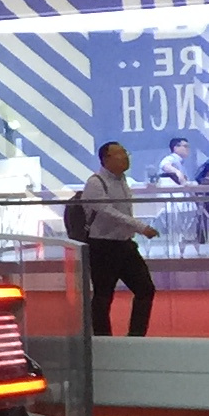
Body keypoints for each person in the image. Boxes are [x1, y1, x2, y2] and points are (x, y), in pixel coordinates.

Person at [75, 140, 160, 337]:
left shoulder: (123, 181)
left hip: (125, 245)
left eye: (125, 153)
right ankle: (102, 339)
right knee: (104, 295)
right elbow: (107, 212)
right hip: (103, 246)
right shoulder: (95, 183)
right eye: (120, 154)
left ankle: (136, 337)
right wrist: (140, 227)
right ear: (106, 159)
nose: (125, 157)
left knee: (145, 289)